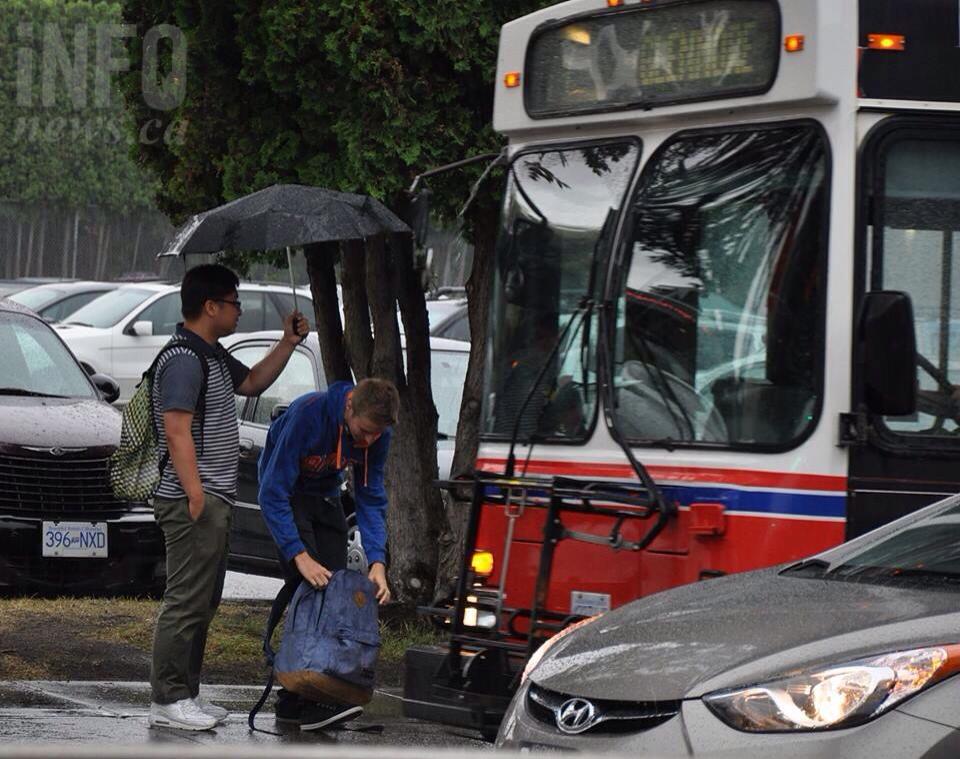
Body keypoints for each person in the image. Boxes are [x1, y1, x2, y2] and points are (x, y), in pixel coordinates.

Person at [148, 264, 310, 731]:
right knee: (185, 600)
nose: (240, 310)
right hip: (191, 499)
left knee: (204, 599)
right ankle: (168, 698)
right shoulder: (183, 357)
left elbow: (254, 382)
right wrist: (195, 495)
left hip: (214, 496)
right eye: (234, 302)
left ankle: (187, 694)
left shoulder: (212, 354)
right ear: (210, 306)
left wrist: (288, 342)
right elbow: (176, 428)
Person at [257, 377, 397, 731]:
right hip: (287, 497)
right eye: (363, 431)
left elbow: (371, 496)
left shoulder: (378, 434)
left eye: (375, 435)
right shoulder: (309, 414)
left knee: (338, 592)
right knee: (309, 589)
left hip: (325, 495)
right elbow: (271, 492)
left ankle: (320, 690)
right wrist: (298, 555)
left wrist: (378, 561)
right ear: (349, 407)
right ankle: (293, 701)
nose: (367, 441)